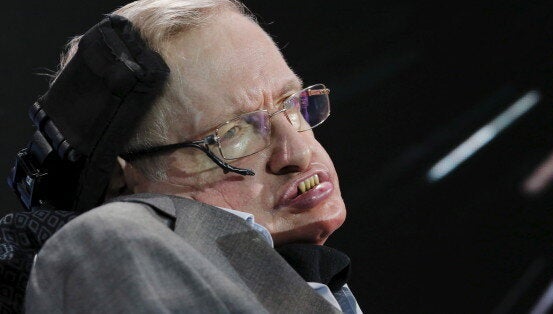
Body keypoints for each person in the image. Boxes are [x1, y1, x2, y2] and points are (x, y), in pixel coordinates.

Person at [23, 0, 361, 313]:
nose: (299, 152)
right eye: (234, 133)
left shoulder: (297, 281)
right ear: (122, 180)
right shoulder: (109, 242)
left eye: (291, 103)